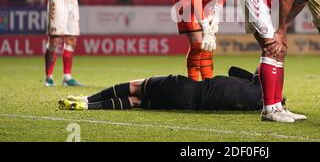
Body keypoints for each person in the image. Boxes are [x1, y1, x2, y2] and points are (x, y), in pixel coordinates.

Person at [57, 67, 305, 118]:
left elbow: (233, 69)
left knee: (137, 85)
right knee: (135, 102)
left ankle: (86, 98)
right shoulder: (256, 105)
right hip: (188, 105)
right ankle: (87, 107)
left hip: (187, 86)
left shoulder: (253, 82)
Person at [172, 0, 264, 81]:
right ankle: (192, 84)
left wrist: (216, 14)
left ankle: (208, 84)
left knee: (208, 45)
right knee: (198, 44)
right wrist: (205, 26)